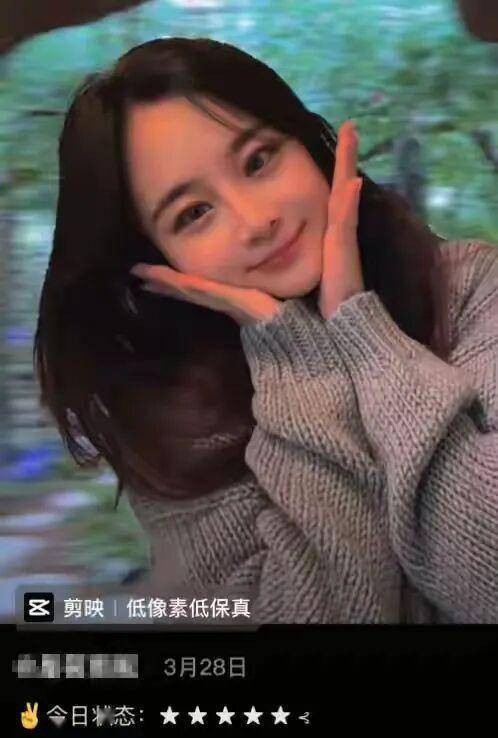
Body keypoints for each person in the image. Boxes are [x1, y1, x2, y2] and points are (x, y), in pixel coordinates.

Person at [34, 37, 498, 624]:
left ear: (308, 145)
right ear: (156, 260)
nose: (257, 221)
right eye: (194, 214)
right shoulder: (174, 424)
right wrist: (295, 356)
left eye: (258, 161)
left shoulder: (470, 288)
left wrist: (359, 331)